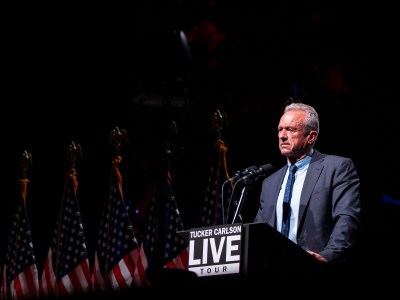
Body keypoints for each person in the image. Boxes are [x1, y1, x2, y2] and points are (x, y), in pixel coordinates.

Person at [254, 102, 361, 266]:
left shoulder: (336, 168)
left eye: (290, 130)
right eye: (280, 129)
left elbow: (347, 218)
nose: (282, 136)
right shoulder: (270, 182)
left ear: (311, 136)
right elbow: (259, 232)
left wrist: (328, 254)